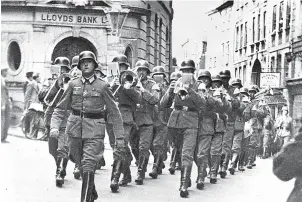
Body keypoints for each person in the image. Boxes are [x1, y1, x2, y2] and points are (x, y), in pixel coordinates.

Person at [50, 51, 124, 201]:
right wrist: (54, 126)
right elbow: (59, 108)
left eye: (89, 61)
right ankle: (91, 190)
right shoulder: (72, 84)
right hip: (74, 129)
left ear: (94, 65)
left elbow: (115, 113)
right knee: (78, 161)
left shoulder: (103, 86)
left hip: (95, 130)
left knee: (89, 163)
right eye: (83, 62)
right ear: (79, 65)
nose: (86, 64)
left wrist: (120, 137)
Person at [161, 59, 206, 198]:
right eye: (184, 71)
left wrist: (190, 90)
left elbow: (202, 103)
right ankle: (186, 178)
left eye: (189, 71)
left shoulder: (199, 84)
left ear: (193, 72)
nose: (187, 73)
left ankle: (183, 184)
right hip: (175, 122)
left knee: (187, 153)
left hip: (191, 122)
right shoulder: (176, 82)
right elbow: (163, 104)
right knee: (180, 152)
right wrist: (170, 90)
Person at [106, 54, 141, 190]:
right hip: (111, 117)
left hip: (126, 118)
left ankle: (115, 177)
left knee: (120, 147)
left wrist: (128, 88)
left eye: (122, 67)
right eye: (118, 67)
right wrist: (111, 86)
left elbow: (139, 99)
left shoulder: (132, 80)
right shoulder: (109, 81)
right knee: (119, 148)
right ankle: (126, 174)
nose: (120, 70)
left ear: (126, 67)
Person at [44, 57, 72, 187]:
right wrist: (56, 85)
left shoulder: (71, 83)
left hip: (65, 120)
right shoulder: (49, 82)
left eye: (64, 69)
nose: (62, 72)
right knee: (52, 149)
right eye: (60, 69)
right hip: (51, 119)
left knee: (62, 147)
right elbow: (43, 97)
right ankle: (60, 165)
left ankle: (60, 171)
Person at [133, 60, 160, 185]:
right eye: (138, 70)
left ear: (147, 72)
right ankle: (140, 163)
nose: (140, 72)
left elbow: (155, 99)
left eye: (143, 70)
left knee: (143, 147)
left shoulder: (152, 84)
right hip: (133, 120)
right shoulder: (131, 82)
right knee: (133, 147)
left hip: (147, 121)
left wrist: (143, 90)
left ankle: (141, 172)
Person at [273, 117, 302, 202]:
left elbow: (281, 172)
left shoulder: (298, 146)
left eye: (298, 122)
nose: (296, 125)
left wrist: (287, 150)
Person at [149, 66, 169, 179]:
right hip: (151, 119)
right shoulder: (151, 86)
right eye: (155, 76)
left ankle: (155, 167)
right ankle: (159, 161)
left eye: (160, 76)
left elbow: (167, 101)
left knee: (158, 144)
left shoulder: (167, 89)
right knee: (152, 145)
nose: (158, 78)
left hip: (162, 120)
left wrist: (161, 89)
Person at [227, 80, 248, 175]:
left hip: (238, 126)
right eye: (234, 86)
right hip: (228, 124)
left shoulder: (243, 98)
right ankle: (224, 165)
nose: (236, 87)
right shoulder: (228, 95)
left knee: (236, 146)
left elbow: (242, 108)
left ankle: (232, 164)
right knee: (227, 146)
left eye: (237, 86)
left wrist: (236, 100)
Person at [167, 71, 183, 174]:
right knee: (173, 142)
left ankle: (175, 163)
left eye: (177, 80)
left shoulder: (183, 90)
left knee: (179, 143)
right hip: (171, 120)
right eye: (173, 80)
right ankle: (174, 162)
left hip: (182, 119)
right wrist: (170, 90)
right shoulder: (170, 89)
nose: (175, 82)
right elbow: (163, 103)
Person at [1, 66, 10, 142]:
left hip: (6, 101)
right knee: (2, 120)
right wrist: (3, 104)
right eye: (5, 71)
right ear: (2, 72)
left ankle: (3, 137)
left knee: (6, 120)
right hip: (2, 102)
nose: (7, 73)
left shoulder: (4, 80)